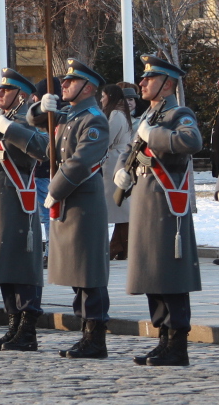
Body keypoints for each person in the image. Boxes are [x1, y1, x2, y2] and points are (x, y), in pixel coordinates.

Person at [117, 54, 204, 367]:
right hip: (145, 203)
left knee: (171, 275)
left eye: (149, 79)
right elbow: (136, 153)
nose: (142, 83)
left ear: (166, 84)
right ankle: (162, 337)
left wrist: (153, 136)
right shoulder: (147, 117)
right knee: (152, 273)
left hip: (167, 206)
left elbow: (192, 141)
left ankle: (177, 342)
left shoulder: (178, 113)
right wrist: (122, 170)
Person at [36, 58, 114, 358]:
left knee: (88, 272)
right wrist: (43, 108)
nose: (63, 85)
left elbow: (81, 162)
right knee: (75, 273)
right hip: (69, 201)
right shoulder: (69, 115)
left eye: (70, 82)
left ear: (88, 87)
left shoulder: (93, 119)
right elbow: (37, 128)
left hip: (83, 202)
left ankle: (96, 337)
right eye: (64, 81)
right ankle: (85, 332)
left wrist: (54, 190)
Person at [0, 69, 49, 352]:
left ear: (22, 95)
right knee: (3, 264)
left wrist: (11, 128)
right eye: (0, 89)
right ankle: (13, 324)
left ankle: (27, 330)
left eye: (6, 89)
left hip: (17, 200)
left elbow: (42, 148)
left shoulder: (27, 117)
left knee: (21, 265)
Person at [101, 84, 133, 259]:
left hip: (114, 161)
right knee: (121, 207)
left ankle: (119, 244)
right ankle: (120, 245)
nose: (101, 99)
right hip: (117, 159)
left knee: (119, 206)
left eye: (104, 96)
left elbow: (107, 138)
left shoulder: (115, 114)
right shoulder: (121, 113)